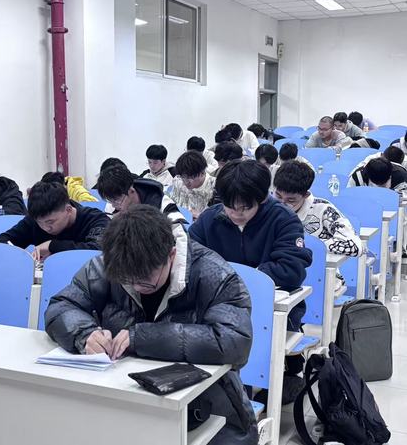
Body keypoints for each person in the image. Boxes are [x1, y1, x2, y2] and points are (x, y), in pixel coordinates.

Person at [45, 205, 258, 445]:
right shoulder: (112, 262)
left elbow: (234, 341)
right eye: (127, 281)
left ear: (171, 255)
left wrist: (142, 337)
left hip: (205, 405)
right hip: (122, 397)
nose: (136, 287)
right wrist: (85, 334)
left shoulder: (214, 274)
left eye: (146, 282)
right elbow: (62, 305)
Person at [189, 159, 312, 402]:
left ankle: (279, 379)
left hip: (270, 307)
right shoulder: (209, 220)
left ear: (262, 198)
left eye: (245, 207)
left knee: (250, 351)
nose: (237, 213)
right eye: (230, 206)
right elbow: (189, 260)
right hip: (220, 308)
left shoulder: (283, 219)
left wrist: (239, 278)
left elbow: (291, 269)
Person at [273, 161, 362, 292]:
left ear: (306, 195)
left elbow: (355, 246)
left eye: (291, 200)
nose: (282, 204)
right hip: (278, 274)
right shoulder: (268, 207)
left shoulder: (324, 210)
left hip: (319, 276)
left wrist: (314, 247)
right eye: (278, 196)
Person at [0, 182, 109, 261]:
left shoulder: (95, 219)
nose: (46, 228)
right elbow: (2, 241)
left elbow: (98, 250)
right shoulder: (34, 220)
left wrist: (52, 245)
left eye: (50, 222)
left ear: (68, 209)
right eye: (40, 223)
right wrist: (24, 257)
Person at [170, 151, 216, 220]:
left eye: (190, 177)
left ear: (202, 172)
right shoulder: (178, 181)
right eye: (183, 176)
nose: (186, 181)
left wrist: (201, 216)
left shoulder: (215, 187)